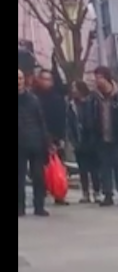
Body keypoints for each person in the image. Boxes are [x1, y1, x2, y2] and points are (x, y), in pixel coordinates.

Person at [89, 66, 118, 207]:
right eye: (96, 78)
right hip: (101, 138)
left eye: (100, 78)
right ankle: (107, 194)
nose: (98, 81)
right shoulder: (95, 98)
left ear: (107, 78)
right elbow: (90, 116)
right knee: (104, 168)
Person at [33, 66, 69, 205]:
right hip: (38, 137)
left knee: (58, 166)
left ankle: (59, 194)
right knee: (39, 169)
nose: (45, 82)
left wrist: (59, 138)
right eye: (43, 79)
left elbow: (61, 118)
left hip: (55, 136)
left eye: (48, 79)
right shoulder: (34, 97)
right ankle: (41, 194)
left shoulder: (57, 98)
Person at [18, 68, 49, 217]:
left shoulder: (33, 100)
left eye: (20, 78)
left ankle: (39, 206)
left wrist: (45, 143)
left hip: (35, 143)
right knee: (19, 178)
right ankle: (20, 207)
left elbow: (41, 122)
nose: (18, 82)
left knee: (38, 177)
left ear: (24, 81)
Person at [68, 80, 101, 203]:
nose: (73, 90)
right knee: (83, 169)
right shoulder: (72, 105)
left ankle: (97, 191)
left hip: (91, 139)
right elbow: (70, 124)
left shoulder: (91, 102)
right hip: (79, 139)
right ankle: (85, 192)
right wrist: (73, 140)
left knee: (94, 169)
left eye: (74, 88)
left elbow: (95, 120)